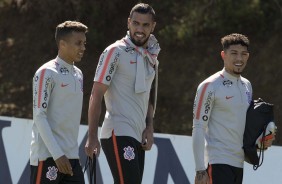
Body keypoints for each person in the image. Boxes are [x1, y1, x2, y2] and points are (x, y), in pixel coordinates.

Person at [85, 3, 160, 184]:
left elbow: (149, 96)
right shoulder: (114, 52)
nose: (139, 29)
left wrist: (149, 128)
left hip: (138, 134)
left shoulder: (152, 56)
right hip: (117, 131)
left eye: (145, 25)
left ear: (153, 26)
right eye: (135, 23)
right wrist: (92, 136)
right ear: (128, 23)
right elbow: (96, 94)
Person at [192, 33, 275, 184]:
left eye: (243, 54)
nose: (239, 59)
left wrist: (260, 140)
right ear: (223, 55)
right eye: (234, 53)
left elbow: (243, 125)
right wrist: (200, 170)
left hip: (238, 164)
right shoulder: (209, 86)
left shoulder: (247, 85)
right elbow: (198, 127)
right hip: (217, 162)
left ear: (248, 56)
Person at [30, 21, 87, 184]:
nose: (83, 47)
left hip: (72, 158)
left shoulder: (79, 74)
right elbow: (39, 116)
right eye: (78, 43)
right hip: (47, 157)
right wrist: (57, 154)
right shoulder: (46, 72)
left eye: (84, 43)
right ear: (62, 44)